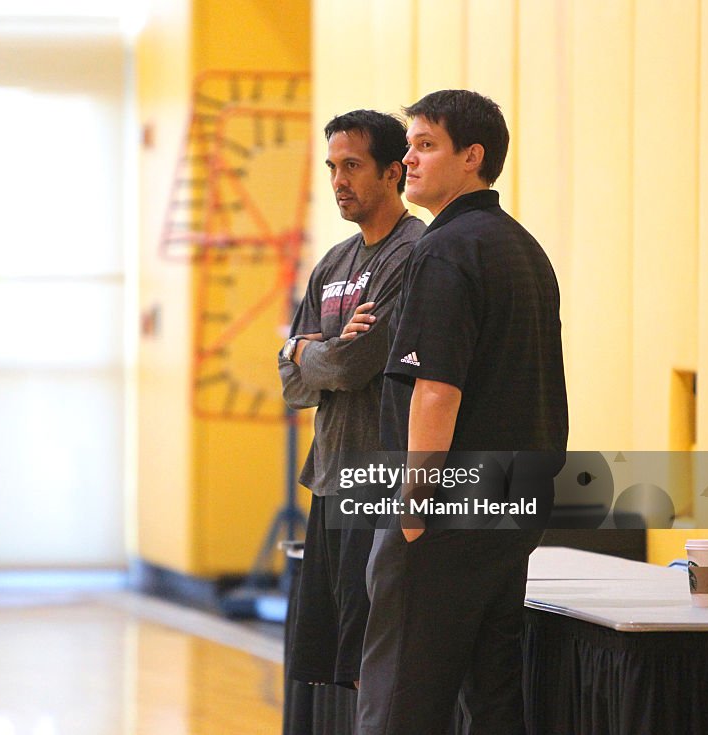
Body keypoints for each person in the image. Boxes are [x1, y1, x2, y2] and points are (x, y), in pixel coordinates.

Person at [355, 90, 568, 735]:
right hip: (516, 499)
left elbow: (435, 390)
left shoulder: (446, 250)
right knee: (492, 689)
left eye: (426, 145)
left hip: (448, 508)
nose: (408, 159)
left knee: (402, 695)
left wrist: (414, 513)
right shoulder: (524, 249)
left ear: (472, 157)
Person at [278, 109, 426, 694]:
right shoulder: (333, 263)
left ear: (393, 172)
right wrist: (310, 353)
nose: (339, 180)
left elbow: (353, 363)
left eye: (353, 166)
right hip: (329, 480)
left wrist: (309, 352)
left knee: (368, 657)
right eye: (333, 167)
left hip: (380, 481)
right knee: (328, 663)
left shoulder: (411, 254)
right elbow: (293, 385)